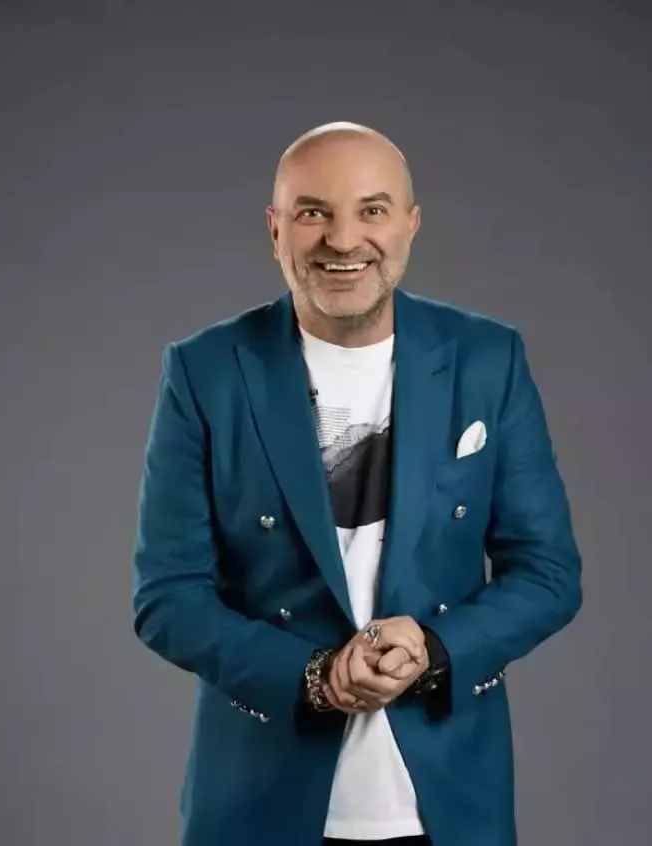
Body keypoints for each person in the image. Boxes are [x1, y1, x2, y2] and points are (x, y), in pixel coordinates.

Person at [132, 121, 582, 846]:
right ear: (275, 229)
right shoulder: (204, 370)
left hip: (450, 804)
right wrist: (313, 675)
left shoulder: (487, 359)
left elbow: (548, 573)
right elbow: (167, 597)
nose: (343, 240)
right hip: (259, 803)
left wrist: (434, 648)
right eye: (314, 212)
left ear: (409, 224)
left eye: (371, 210)